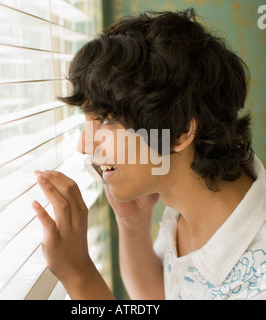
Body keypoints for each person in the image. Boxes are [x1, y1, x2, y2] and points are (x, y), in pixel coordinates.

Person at [31, 8, 266, 300]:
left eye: (105, 119)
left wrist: (78, 274)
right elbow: (160, 294)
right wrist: (133, 225)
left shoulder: (258, 284)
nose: (84, 145)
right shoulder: (189, 197)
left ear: (179, 132)